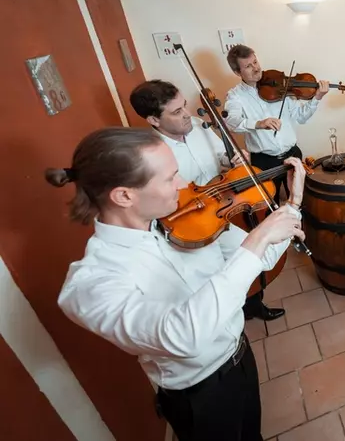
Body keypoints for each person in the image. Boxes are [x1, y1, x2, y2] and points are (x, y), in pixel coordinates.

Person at [46, 127, 307, 441]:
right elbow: (182, 336)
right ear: (124, 195)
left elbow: (261, 260)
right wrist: (258, 237)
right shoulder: (91, 285)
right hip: (200, 396)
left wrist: (293, 203)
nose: (183, 185)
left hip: (241, 357)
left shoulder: (191, 219)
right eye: (170, 178)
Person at [130, 79, 285, 322]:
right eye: (177, 111)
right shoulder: (149, 152)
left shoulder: (199, 125)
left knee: (253, 257)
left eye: (184, 106)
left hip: (226, 208)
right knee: (216, 278)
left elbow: (222, 157)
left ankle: (254, 304)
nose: (187, 115)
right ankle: (230, 319)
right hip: (195, 225)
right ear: (153, 120)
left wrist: (232, 159)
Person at [224, 44, 330, 202]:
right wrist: (259, 123)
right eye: (248, 66)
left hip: (292, 155)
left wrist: (317, 98)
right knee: (268, 205)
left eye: (255, 62)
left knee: (299, 202)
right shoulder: (235, 96)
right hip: (264, 162)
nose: (256, 68)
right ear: (237, 72)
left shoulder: (279, 84)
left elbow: (301, 117)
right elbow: (231, 122)